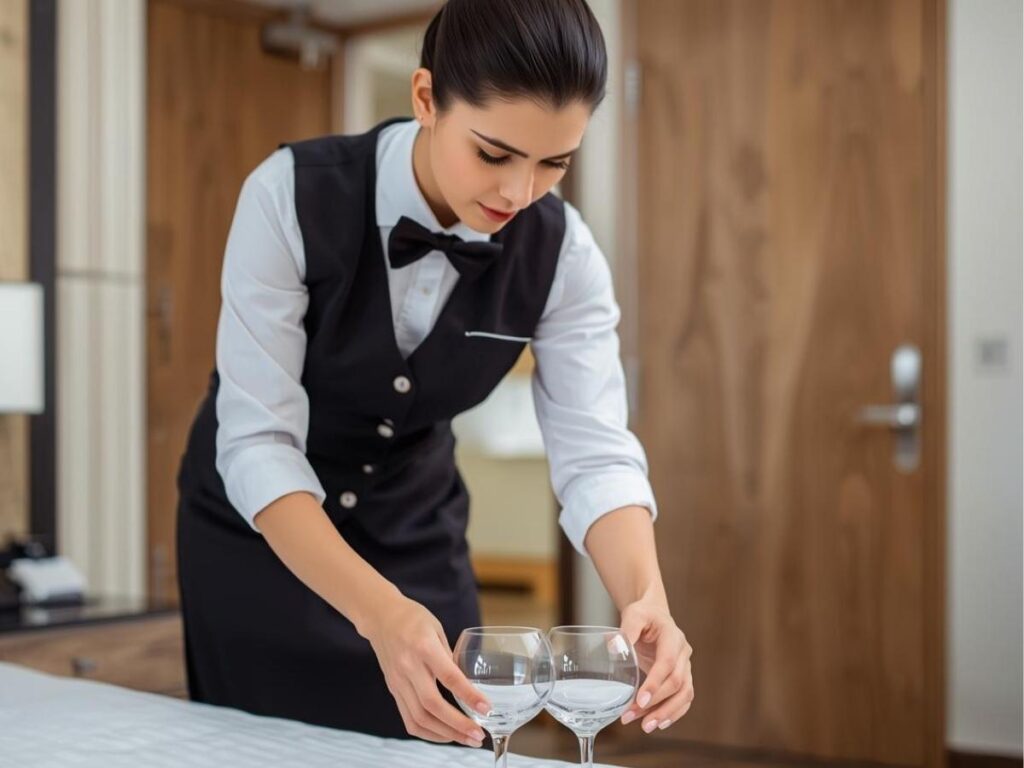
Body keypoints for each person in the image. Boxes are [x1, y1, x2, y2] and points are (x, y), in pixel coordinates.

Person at [176, 0, 693, 749]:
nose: (519, 193)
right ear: (426, 98)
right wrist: (380, 614)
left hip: (415, 529)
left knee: (452, 741)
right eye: (494, 154)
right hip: (264, 540)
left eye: (554, 163)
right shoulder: (286, 195)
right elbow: (258, 443)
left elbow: (596, 453)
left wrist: (646, 596)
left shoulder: (566, 256)